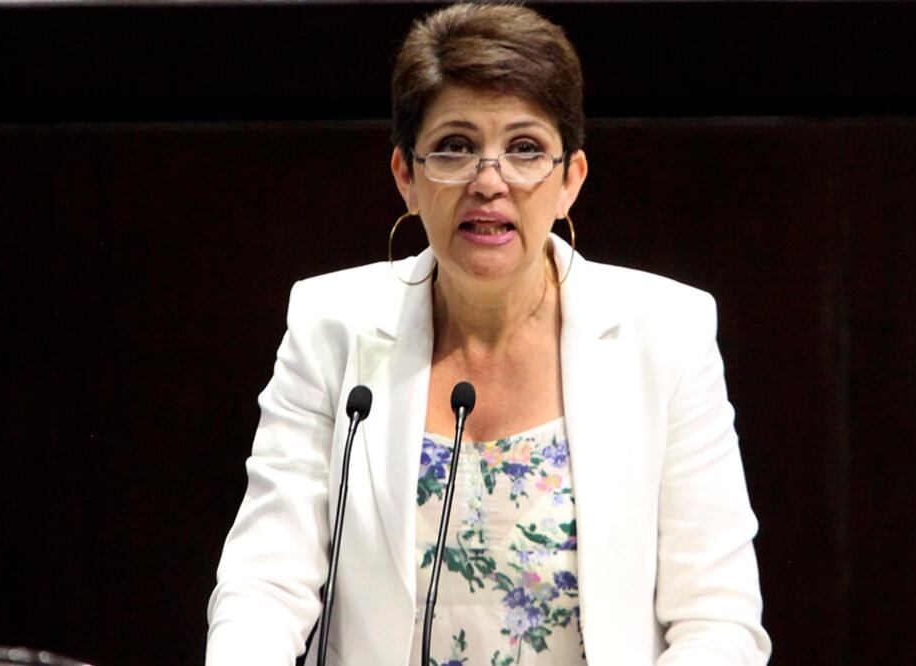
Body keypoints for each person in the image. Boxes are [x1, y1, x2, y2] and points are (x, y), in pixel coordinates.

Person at [206, 3, 771, 665]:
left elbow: (716, 621)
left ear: (569, 181)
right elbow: (265, 585)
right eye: (454, 146)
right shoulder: (331, 326)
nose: (489, 182)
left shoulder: (666, 334)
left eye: (525, 149)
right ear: (405, 177)